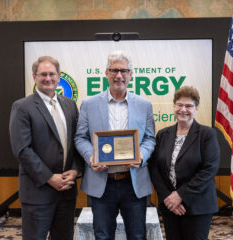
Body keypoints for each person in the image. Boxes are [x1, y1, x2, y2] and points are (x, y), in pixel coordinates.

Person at [74, 50, 156, 240]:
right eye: (114, 70)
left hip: (133, 183)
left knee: (137, 236)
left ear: (131, 74)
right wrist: (91, 157)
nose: (119, 75)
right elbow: (80, 138)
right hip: (102, 183)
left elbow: (150, 138)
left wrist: (141, 156)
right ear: (106, 73)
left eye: (124, 71)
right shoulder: (89, 104)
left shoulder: (144, 105)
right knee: (102, 236)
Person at [9, 56, 83, 240]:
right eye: (43, 74)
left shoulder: (70, 105)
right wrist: (49, 178)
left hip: (66, 191)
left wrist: (75, 170)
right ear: (34, 77)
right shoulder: (22, 107)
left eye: (52, 74)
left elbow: (78, 141)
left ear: (59, 77)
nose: (48, 78)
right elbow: (22, 149)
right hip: (37, 191)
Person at [149, 86, 220, 240]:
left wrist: (180, 195)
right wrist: (168, 197)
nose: (183, 109)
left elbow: (209, 169)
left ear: (196, 109)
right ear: (174, 107)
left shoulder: (207, 134)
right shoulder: (163, 134)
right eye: (179, 105)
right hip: (170, 206)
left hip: (197, 205)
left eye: (188, 106)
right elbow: (154, 167)